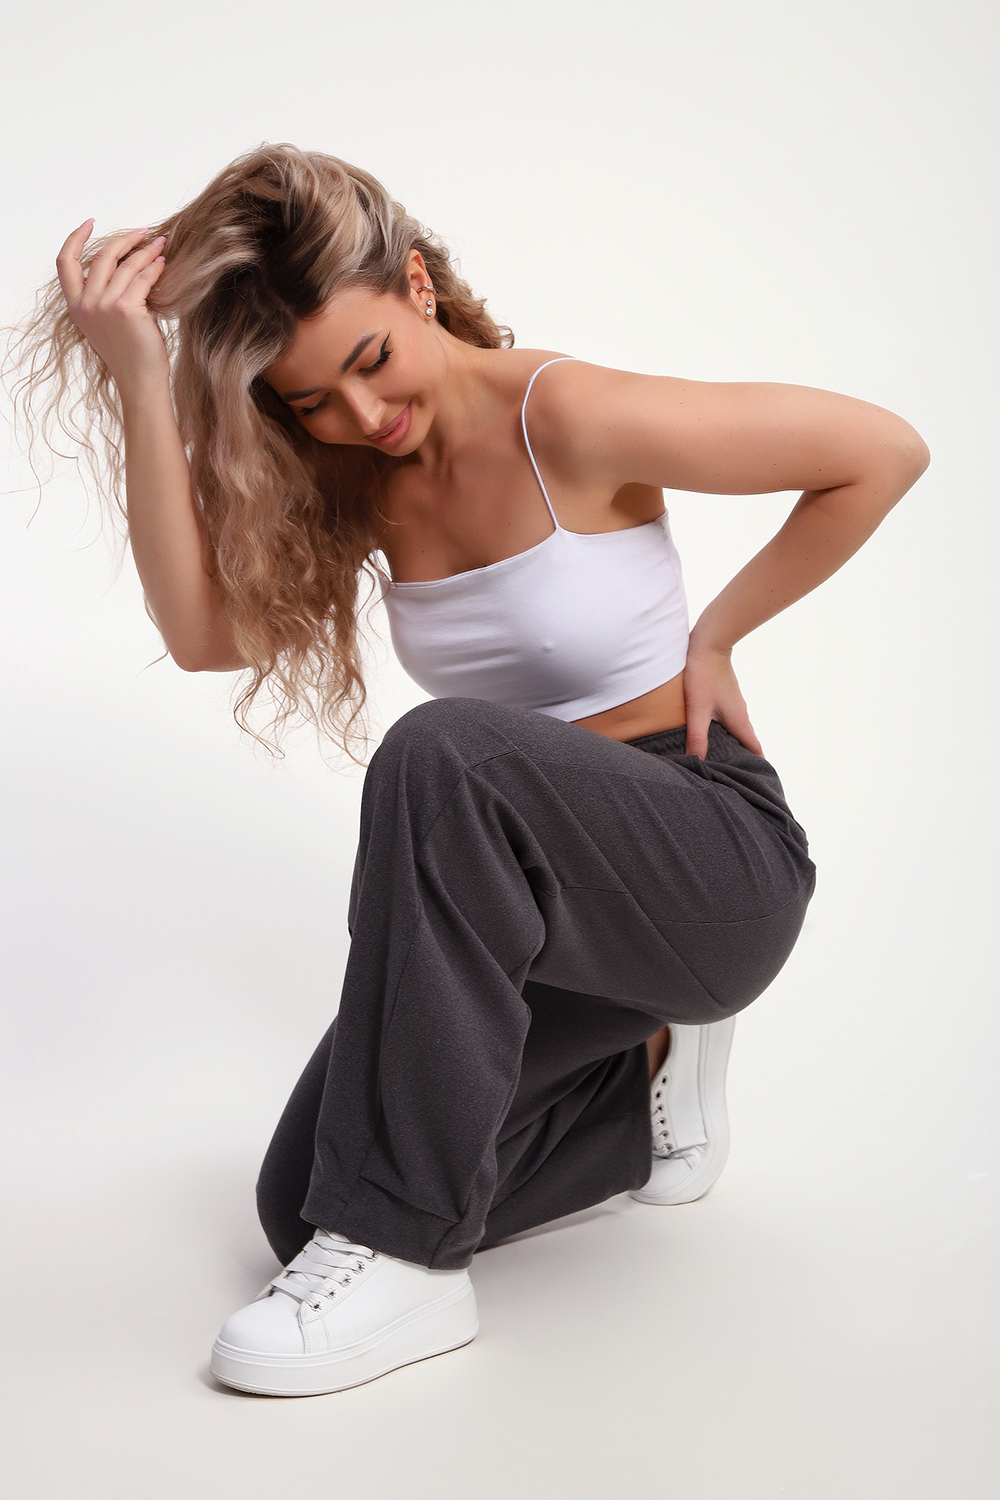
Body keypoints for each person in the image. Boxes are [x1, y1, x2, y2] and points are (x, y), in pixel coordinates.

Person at [16, 145, 928, 1398]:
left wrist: (717, 635)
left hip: (706, 859)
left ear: (418, 285)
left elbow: (879, 450)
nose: (361, 415)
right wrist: (135, 371)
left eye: (371, 360)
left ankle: (411, 1271)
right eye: (312, 400)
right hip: (549, 922)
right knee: (303, 1202)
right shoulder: (362, 480)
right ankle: (637, 1100)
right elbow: (202, 636)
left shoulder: (563, 413)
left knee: (443, 752)